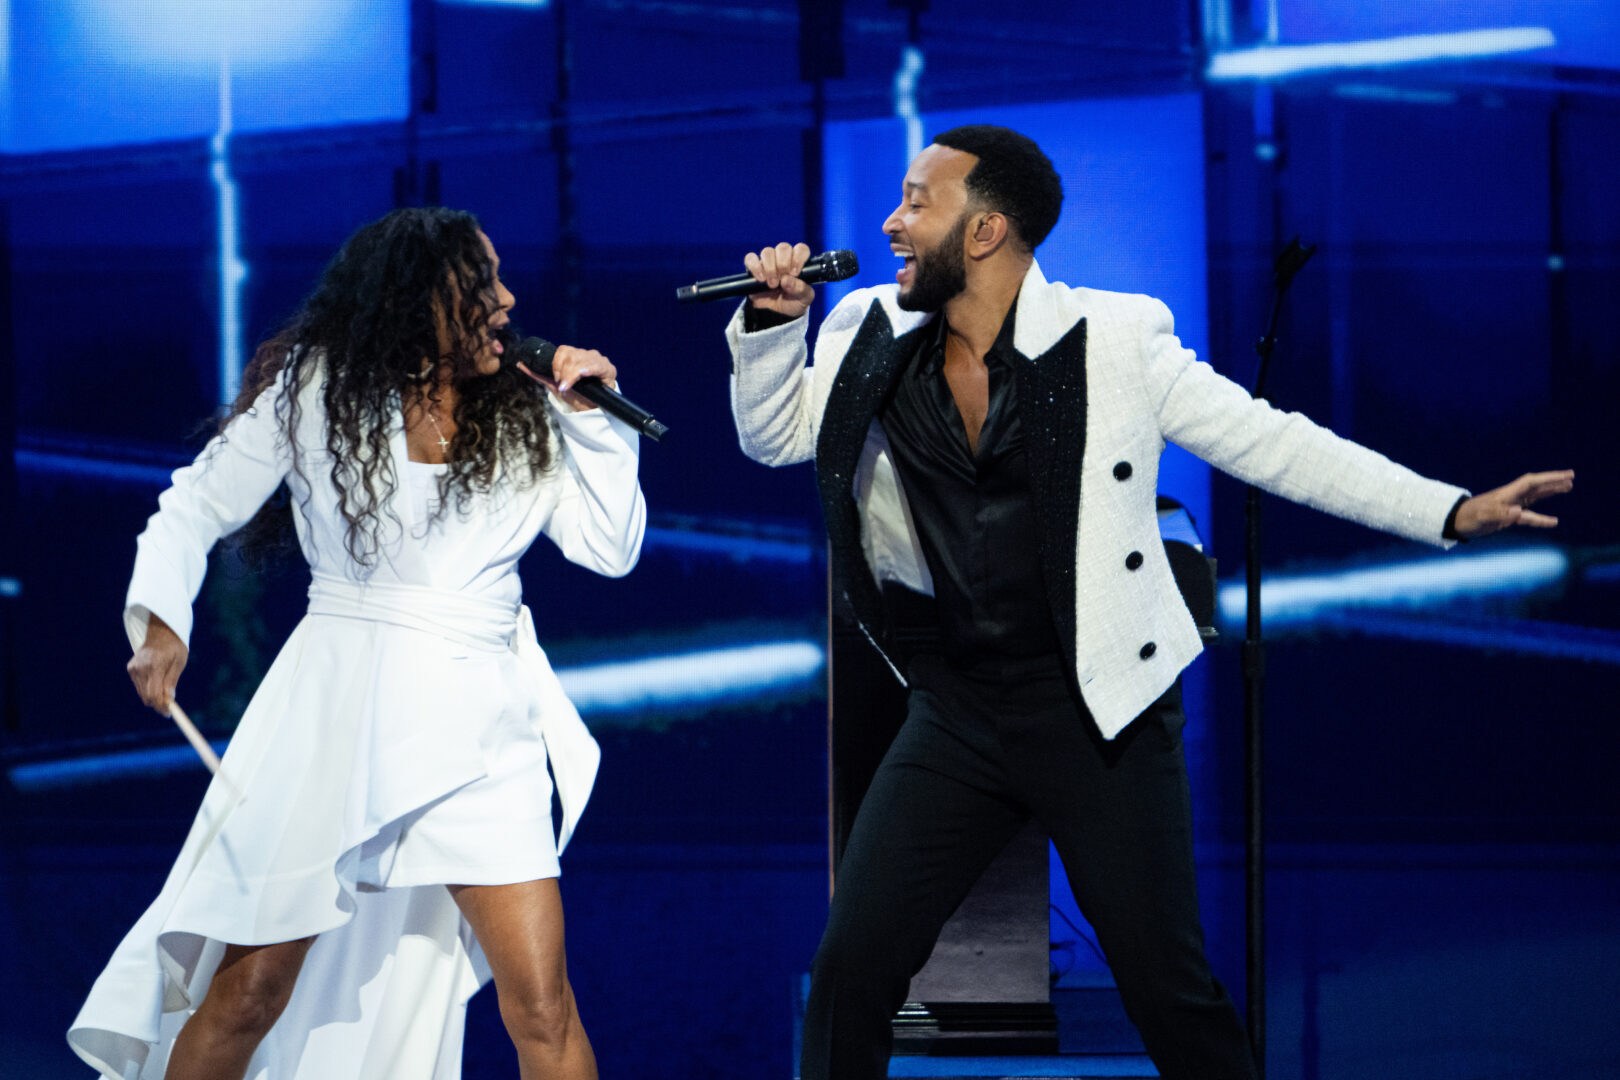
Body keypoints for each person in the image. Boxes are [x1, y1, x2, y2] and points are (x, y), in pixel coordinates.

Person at [726, 125, 1573, 1080]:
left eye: (919, 200)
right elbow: (777, 439)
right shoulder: (867, 330)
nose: (892, 221)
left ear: (986, 231)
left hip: (1100, 711)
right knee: (851, 971)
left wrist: (1450, 512)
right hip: (957, 707)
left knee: (1167, 990)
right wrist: (771, 326)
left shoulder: (1117, 338)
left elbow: (1274, 443)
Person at [68, 206, 645, 1080]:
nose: (507, 299)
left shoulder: (530, 409)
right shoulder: (318, 389)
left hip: (483, 733)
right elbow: (195, 502)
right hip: (336, 717)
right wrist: (160, 622)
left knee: (541, 1007)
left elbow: (611, 549)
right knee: (252, 991)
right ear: (418, 303)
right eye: (481, 285)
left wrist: (589, 422)